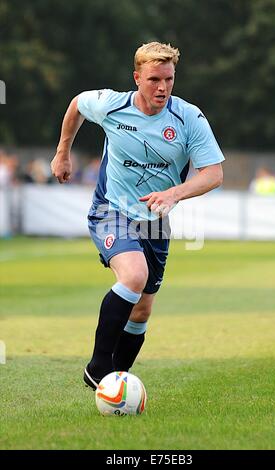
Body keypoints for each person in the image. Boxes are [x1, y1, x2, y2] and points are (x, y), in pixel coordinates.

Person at [50, 42, 225, 390]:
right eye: (154, 79)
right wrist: (62, 153)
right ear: (137, 78)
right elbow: (76, 105)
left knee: (142, 310)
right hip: (110, 209)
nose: (162, 88)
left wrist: (174, 193)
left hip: (156, 221)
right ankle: (98, 369)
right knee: (134, 275)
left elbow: (213, 173)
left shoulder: (189, 118)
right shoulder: (112, 105)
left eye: (169, 79)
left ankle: (117, 383)